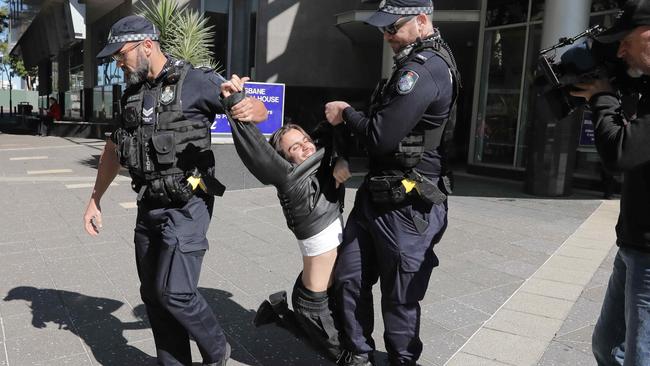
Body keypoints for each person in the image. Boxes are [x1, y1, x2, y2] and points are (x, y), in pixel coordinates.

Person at [81, 15, 268, 366]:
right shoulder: (132, 94)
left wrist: (249, 106)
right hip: (148, 204)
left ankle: (217, 351)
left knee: (176, 292)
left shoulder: (196, 81)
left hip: (188, 203)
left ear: (146, 45)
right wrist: (95, 199)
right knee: (153, 295)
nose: (118, 63)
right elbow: (112, 148)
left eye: (121, 55)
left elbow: (257, 111)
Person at [324, 0, 460, 365]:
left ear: (421, 20)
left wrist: (344, 113)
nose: (387, 36)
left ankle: (402, 360)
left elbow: (381, 135)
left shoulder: (424, 70)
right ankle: (360, 355)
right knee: (349, 279)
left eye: (393, 28)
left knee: (399, 297)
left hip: (408, 204)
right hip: (378, 192)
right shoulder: (415, 63)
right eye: (383, 28)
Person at [219, 82, 352, 361]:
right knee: (343, 355)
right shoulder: (289, 179)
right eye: (294, 148)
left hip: (329, 290)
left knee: (343, 348)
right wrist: (236, 103)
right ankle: (280, 315)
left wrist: (342, 159)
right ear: (284, 158)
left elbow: (333, 133)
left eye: (305, 141)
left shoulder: (322, 165)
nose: (305, 147)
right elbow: (257, 151)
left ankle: (278, 314)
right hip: (316, 302)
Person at [569, 0, 650, 364]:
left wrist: (603, 97)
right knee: (607, 346)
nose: (620, 50)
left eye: (625, 40)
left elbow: (621, 153)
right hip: (634, 242)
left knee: (638, 356)